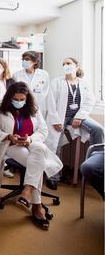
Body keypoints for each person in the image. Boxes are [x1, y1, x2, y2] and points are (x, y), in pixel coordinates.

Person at [0, 82, 63, 230]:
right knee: (37, 163)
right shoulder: (1, 110)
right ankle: (36, 206)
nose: (19, 102)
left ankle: (27, 190)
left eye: (21, 99)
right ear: (9, 97)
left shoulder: (33, 109)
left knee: (40, 149)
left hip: (31, 142)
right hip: (11, 146)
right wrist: (9, 137)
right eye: (15, 99)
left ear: (27, 98)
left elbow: (43, 130)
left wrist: (30, 139)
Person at [45, 57, 104, 189]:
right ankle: (53, 176)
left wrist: (80, 117)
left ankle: (97, 167)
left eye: (69, 63)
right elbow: (51, 103)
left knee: (98, 129)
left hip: (77, 116)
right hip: (60, 116)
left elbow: (90, 101)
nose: (66, 65)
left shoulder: (83, 83)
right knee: (55, 144)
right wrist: (55, 120)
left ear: (76, 66)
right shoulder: (57, 82)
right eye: (64, 64)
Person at [12, 51, 58, 123]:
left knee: (39, 130)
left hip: (40, 108)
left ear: (35, 61)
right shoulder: (17, 75)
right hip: (23, 108)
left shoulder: (44, 74)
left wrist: (53, 116)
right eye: (23, 59)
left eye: (27, 59)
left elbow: (49, 95)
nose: (24, 61)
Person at [0, 57, 15, 178]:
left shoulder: (10, 81)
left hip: (7, 114)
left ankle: (5, 166)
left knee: (5, 141)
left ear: (4, 67)